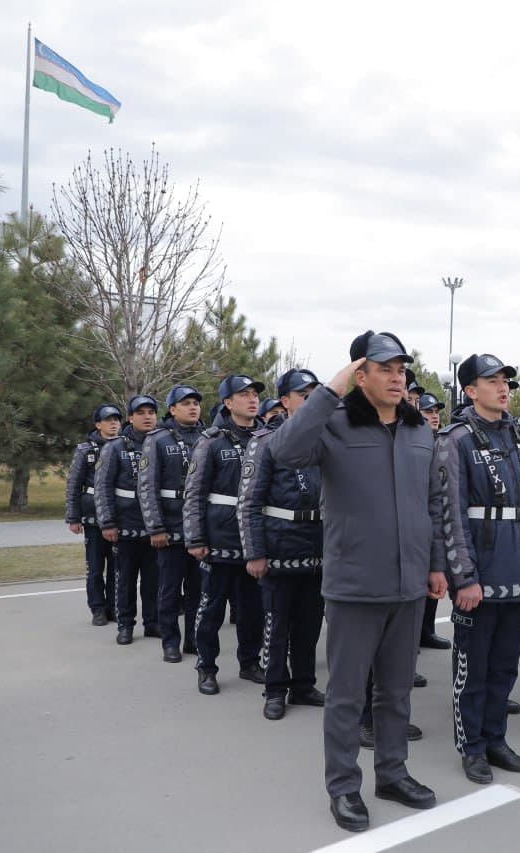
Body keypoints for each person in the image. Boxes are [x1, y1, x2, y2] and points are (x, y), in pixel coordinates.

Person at [271, 332, 446, 830]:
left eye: (402, 369)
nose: (397, 377)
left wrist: (435, 565)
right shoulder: (334, 425)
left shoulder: (419, 430)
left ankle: (392, 773)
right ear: (360, 374)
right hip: (354, 585)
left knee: (395, 692)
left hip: (408, 584)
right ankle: (344, 787)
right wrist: (331, 390)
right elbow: (284, 450)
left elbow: (431, 503)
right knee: (347, 696)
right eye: (385, 368)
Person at [436, 352, 520, 783]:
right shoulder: (457, 440)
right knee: (472, 668)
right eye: (491, 381)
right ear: (470, 390)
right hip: (482, 576)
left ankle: (495, 737)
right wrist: (464, 577)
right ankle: (471, 746)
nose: (503, 386)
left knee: (505, 666)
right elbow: (450, 515)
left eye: (505, 379)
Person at [238, 368, 327, 721]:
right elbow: (249, 501)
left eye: (314, 394)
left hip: (318, 546)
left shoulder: (326, 441)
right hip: (279, 546)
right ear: (285, 401)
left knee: (310, 624)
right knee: (277, 625)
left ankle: (303, 684)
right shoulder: (265, 442)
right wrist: (255, 552)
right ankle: (275, 689)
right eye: (303, 395)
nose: (309, 401)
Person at [184, 374, 267, 696]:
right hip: (220, 538)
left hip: (255, 541)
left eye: (254, 394)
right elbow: (194, 492)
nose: (251, 399)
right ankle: (206, 667)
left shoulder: (266, 438)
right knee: (212, 609)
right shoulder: (212, 441)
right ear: (228, 402)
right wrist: (195, 537)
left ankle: (249, 663)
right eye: (243, 394)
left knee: (253, 609)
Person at [137, 384, 207, 662]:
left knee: (198, 589)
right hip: (170, 525)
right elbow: (147, 486)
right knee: (168, 588)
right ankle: (170, 641)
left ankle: (193, 639)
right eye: (185, 403)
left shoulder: (207, 437)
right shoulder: (158, 439)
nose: (193, 407)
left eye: (196, 403)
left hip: (199, 529)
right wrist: (155, 527)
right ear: (173, 409)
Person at [94, 395, 160, 644]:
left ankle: (152, 623)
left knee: (154, 580)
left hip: (157, 528)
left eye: (151, 412)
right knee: (125, 580)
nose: (147, 417)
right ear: (130, 418)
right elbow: (103, 487)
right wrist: (108, 522)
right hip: (126, 526)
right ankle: (125, 625)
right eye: (140, 412)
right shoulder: (116, 446)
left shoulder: (163, 443)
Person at [66, 403, 122, 626]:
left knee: (117, 566)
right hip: (92, 516)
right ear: (98, 424)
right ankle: (98, 608)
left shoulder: (125, 447)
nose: (113, 424)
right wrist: (73, 517)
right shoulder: (86, 450)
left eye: (117, 420)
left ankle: (114, 607)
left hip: (118, 515)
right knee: (96, 566)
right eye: (108, 420)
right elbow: (73, 484)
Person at [416, 391, 450, 651]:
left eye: (436, 412)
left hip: (438, 516)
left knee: (435, 578)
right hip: (417, 519)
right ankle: (411, 639)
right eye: (428, 412)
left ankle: (427, 630)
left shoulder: (441, 441)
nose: (434, 416)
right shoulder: (415, 442)